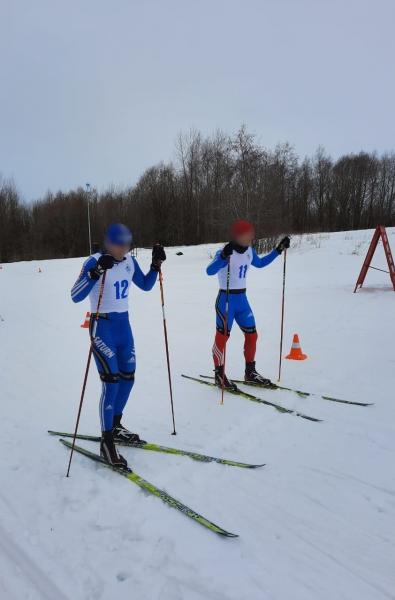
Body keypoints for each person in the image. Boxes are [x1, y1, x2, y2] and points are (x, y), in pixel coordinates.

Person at [71, 223, 166, 468]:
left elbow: (145, 285)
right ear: (108, 242)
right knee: (110, 383)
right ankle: (106, 441)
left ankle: (115, 425)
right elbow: (75, 295)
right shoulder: (94, 261)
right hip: (102, 326)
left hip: (124, 328)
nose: (123, 249)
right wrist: (95, 273)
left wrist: (155, 266)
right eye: (119, 244)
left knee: (128, 378)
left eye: (127, 244)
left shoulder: (128, 262)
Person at [206, 220, 290, 390]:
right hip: (226, 300)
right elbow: (209, 271)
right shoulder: (224, 251)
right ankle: (219, 374)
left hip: (242, 300)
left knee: (252, 336)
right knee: (222, 338)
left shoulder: (250, 251)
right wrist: (223, 257)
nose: (251, 237)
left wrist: (278, 250)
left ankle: (250, 372)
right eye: (247, 234)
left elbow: (260, 263)